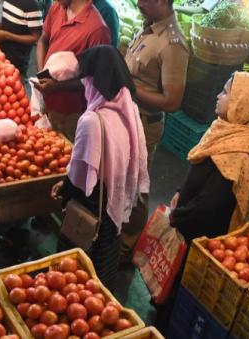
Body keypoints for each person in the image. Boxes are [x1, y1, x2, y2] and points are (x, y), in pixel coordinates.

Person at [154, 72, 249, 331]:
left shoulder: (241, 151)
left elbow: (210, 206)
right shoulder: (227, 130)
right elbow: (201, 168)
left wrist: (176, 216)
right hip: (190, 217)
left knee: (180, 287)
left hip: (201, 235)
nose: (218, 96)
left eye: (226, 92)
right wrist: (179, 190)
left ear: (243, 103)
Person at [51, 46, 149, 287]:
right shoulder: (130, 110)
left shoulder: (92, 121)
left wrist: (62, 190)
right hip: (114, 206)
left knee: (76, 273)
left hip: (91, 207)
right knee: (103, 268)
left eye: (85, 79)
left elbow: (80, 180)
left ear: (93, 80)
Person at [120, 0, 189, 262]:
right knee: (121, 180)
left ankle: (127, 248)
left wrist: (131, 89)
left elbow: (172, 102)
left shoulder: (173, 45)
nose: (139, 3)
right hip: (126, 116)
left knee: (136, 185)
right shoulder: (147, 28)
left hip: (144, 124)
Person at [35, 0, 111, 142]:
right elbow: (42, 40)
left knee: (67, 157)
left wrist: (57, 86)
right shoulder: (58, 7)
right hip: (47, 103)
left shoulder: (97, 30)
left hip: (72, 114)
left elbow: (96, 80)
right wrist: (41, 74)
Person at [0, 0, 43, 76]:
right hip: (2, 55)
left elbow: (36, 38)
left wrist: (6, 35)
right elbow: (13, 22)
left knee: (15, 84)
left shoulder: (32, 4)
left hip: (18, 60)